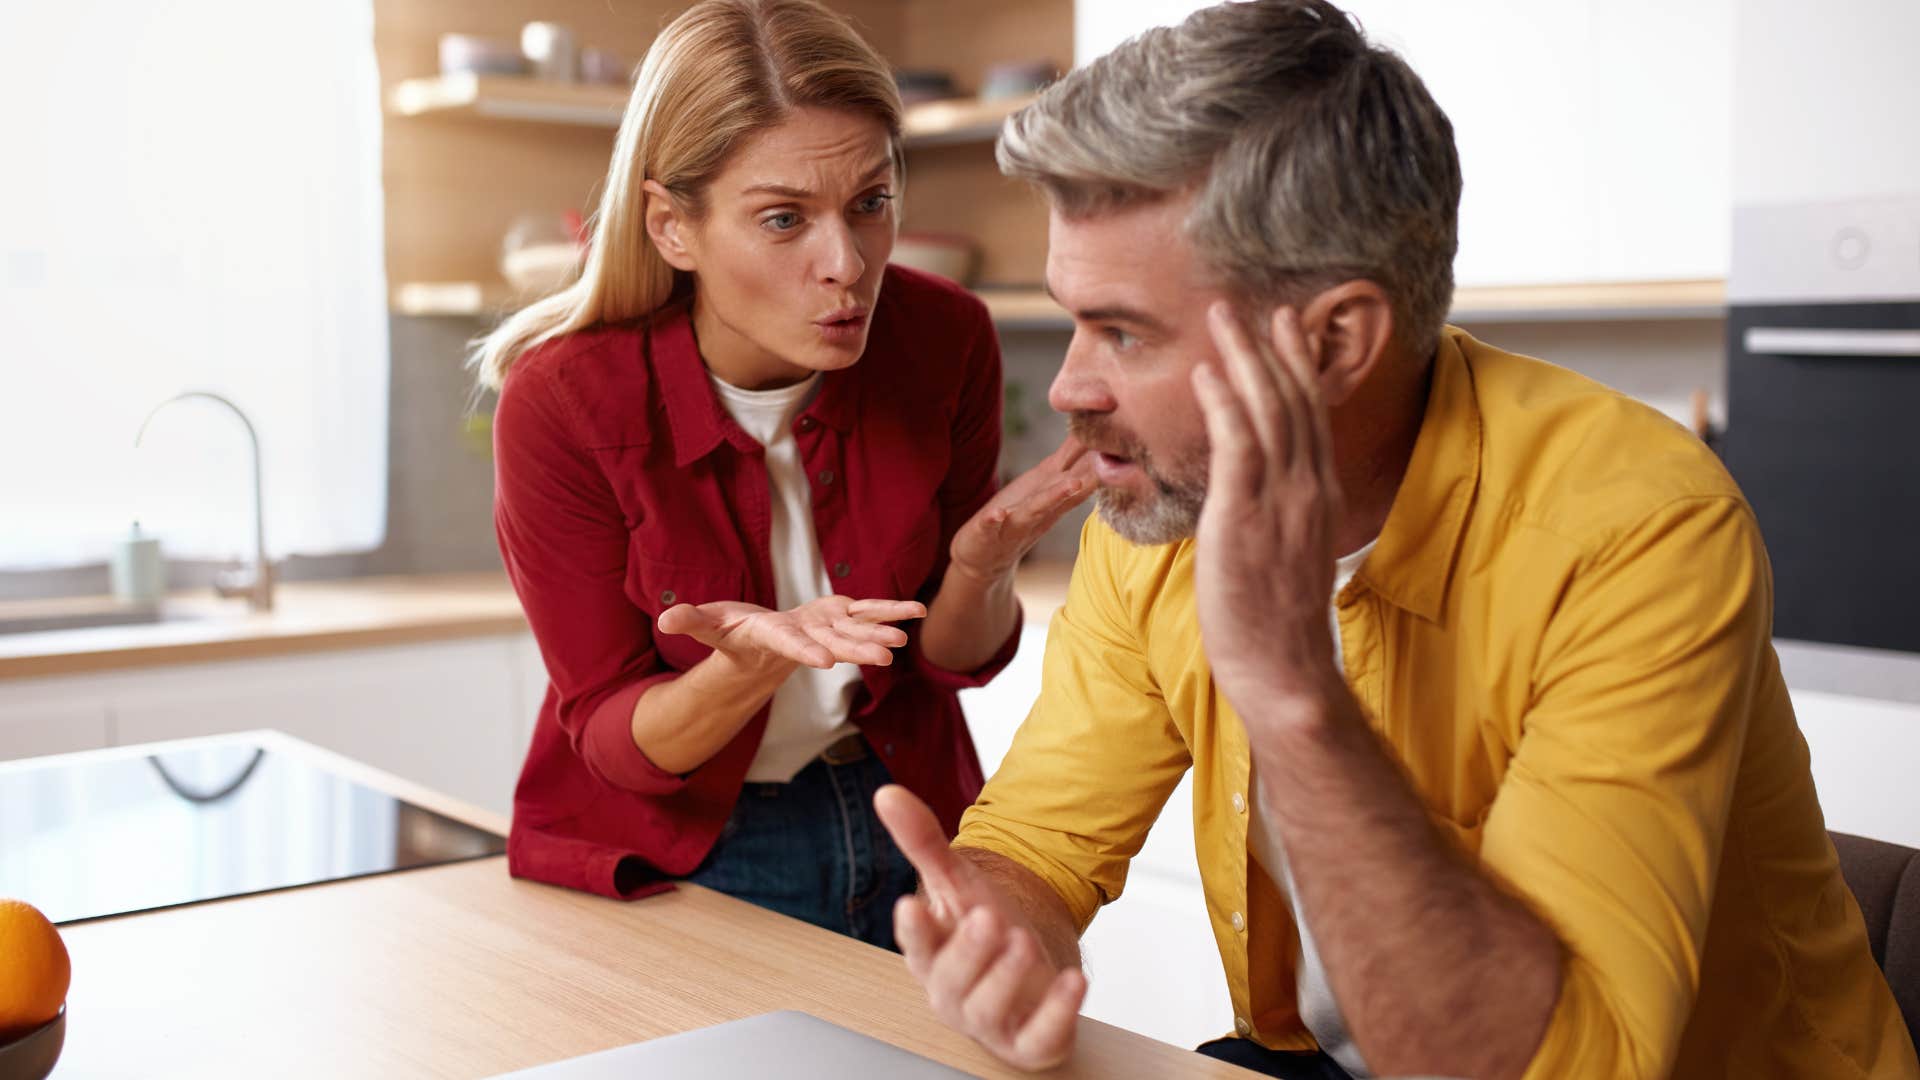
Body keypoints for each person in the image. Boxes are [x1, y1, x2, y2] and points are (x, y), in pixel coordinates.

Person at [871, 1, 1920, 1076]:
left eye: (1125, 332)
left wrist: (1289, 685)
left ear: (1334, 341)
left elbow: (1563, 1065)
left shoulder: (1637, 533)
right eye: (1073, 318)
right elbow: (1041, 846)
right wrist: (1003, 933)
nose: (1069, 386)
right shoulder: (1165, 509)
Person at [475, 0, 1090, 951]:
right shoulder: (564, 400)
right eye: (782, 219)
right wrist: (747, 669)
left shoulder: (943, 338)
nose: (845, 265)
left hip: (909, 811)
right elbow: (610, 739)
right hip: (683, 854)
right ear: (672, 228)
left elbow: (952, 660)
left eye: (871, 204)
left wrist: (981, 565)